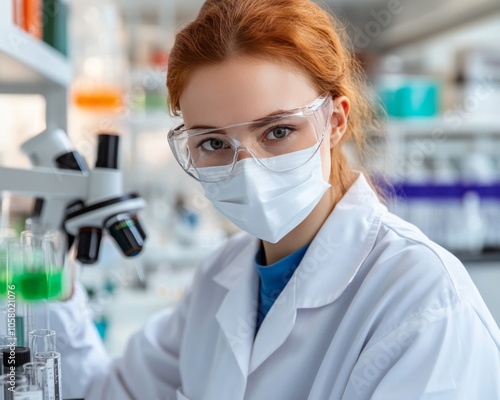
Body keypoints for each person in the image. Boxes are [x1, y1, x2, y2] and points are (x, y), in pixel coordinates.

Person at [49, 0, 500, 399]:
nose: (248, 168)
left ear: (335, 120)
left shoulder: (424, 299)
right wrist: (54, 270)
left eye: (278, 131)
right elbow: (103, 392)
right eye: (212, 143)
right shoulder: (219, 277)